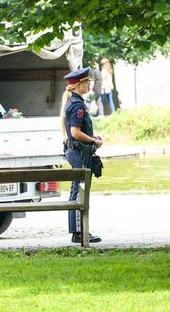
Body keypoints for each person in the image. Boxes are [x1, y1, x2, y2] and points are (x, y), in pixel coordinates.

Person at [61, 67, 103, 243]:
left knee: (79, 191)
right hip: (78, 152)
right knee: (79, 191)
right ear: (78, 85)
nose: (88, 85)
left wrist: (93, 137)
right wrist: (93, 141)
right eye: (86, 82)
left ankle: (80, 231)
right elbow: (75, 132)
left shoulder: (75, 102)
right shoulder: (77, 105)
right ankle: (78, 233)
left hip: (77, 150)